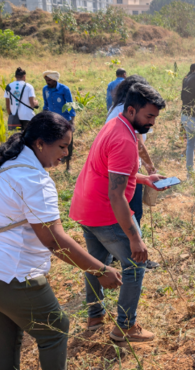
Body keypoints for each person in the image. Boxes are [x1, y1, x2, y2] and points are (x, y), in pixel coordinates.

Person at [0, 112, 122, 370]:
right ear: (40, 144)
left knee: (6, 338)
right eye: (62, 147)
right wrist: (99, 270)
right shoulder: (33, 179)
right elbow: (53, 240)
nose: (65, 155)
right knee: (55, 329)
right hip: (14, 274)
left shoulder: (6, 166)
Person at [71, 84, 170, 342]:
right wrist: (134, 237)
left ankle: (95, 315)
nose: (152, 123)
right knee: (136, 265)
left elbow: (113, 173)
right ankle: (125, 327)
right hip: (105, 212)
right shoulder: (126, 141)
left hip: (86, 206)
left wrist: (145, 180)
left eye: (155, 118)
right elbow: (116, 195)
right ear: (131, 109)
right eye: (149, 117)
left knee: (97, 263)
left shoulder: (115, 124)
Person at [106, 75, 160, 253]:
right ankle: (135, 250)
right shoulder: (126, 117)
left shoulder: (117, 110)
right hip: (123, 171)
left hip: (123, 170)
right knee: (133, 211)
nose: (151, 122)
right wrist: (149, 166)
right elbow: (138, 144)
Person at [5, 67, 38, 132]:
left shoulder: (8, 86)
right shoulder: (29, 86)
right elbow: (32, 104)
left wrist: (11, 115)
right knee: (28, 136)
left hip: (14, 116)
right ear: (24, 76)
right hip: (27, 116)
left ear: (15, 76)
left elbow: (7, 106)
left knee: (17, 137)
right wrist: (36, 103)